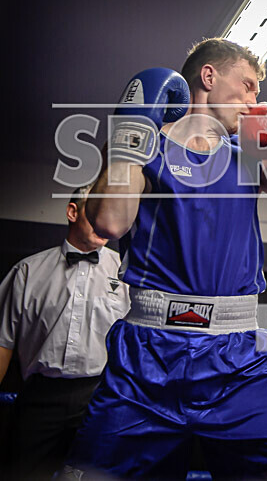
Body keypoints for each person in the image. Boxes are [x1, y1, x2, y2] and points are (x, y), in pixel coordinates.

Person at [63, 38, 267, 479]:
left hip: (237, 355)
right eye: (247, 85)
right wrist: (129, 132)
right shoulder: (147, 145)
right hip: (149, 354)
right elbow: (109, 223)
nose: (254, 100)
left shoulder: (252, 154)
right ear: (209, 76)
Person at [0, 185, 130, 480]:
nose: (106, 220)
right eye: (97, 210)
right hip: (39, 399)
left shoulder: (126, 274)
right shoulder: (27, 272)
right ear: (72, 212)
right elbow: (3, 343)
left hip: (102, 396)